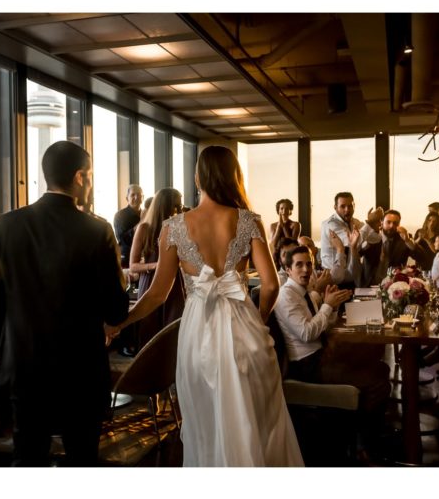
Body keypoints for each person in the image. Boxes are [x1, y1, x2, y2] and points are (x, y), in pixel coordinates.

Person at [105, 145, 302, 467]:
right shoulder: (249, 221)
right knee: (255, 421)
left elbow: (156, 295)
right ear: (233, 177)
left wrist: (120, 323)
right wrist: (260, 320)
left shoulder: (174, 227)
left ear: (199, 177)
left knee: (205, 420)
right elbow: (270, 285)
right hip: (245, 331)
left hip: (198, 335)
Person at [0, 141, 129, 466]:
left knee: (27, 456)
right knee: (82, 458)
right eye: (89, 176)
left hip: (24, 365)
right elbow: (116, 310)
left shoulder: (5, 226)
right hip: (81, 370)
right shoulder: (96, 230)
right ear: (79, 177)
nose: (90, 183)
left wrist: (2, 354)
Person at [273, 246, 390, 458]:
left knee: (379, 363)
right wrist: (326, 306)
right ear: (287, 269)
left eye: (308, 263)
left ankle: (359, 435)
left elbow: (323, 328)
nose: (306, 269)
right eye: (299, 264)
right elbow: (307, 333)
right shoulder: (285, 296)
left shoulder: (304, 292)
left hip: (321, 357)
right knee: (378, 380)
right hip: (307, 366)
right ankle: (363, 446)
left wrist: (333, 307)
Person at [127, 188, 186, 354]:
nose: (180, 210)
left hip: (175, 284)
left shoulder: (179, 228)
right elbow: (133, 266)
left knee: (174, 328)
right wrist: (158, 265)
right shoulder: (144, 228)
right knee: (150, 330)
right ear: (164, 206)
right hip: (150, 283)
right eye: (176, 206)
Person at [320, 192, 374, 288]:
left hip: (349, 278)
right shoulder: (330, 224)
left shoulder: (354, 222)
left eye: (350, 206)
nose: (347, 210)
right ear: (335, 207)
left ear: (354, 206)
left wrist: (374, 225)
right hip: (333, 279)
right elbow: (352, 242)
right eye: (342, 206)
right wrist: (370, 223)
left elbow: (375, 238)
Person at [113, 184, 143, 268]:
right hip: (127, 259)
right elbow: (123, 239)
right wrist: (142, 223)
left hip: (144, 258)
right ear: (127, 198)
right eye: (133, 195)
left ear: (142, 197)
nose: (136, 197)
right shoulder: (120, 215)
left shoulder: (146, 214)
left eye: (139, 195)